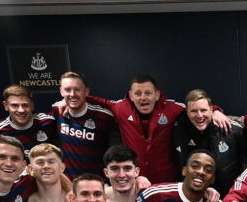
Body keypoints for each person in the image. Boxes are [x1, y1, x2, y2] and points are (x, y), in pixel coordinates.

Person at [88, 74, 229, 183]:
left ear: (157, 94)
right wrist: (67, 102)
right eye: (138, 93)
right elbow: (97, 101)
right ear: (131, 96)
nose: (143, 97)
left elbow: (194, 108)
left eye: (148, 93)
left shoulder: (172, 108)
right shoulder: (120, 108)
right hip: (137, 182)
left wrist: (216, 111)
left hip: (167, 181)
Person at [172, 89, 247, 197]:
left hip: (230, 198)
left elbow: (246, 163)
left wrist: (237, 195)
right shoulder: (178, 133)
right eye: (193, 111)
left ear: (211, 110)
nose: (199, 115)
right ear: (187, 112)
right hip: (197, 198)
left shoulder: (233, 130)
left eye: (203, 110)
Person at [53, 72, 116, 177]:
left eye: (77, 89)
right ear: (61, 92)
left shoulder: (104, 116)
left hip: (97, 182)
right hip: (68, 184)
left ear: (86, 92)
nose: (72, 94)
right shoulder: (57, 110)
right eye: (67, 90)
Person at [0, 84, 59, 156]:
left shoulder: (47, 122)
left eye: (25, 105)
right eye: (14, 105)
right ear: (6, 106)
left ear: (32, 105)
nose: (21, 110)